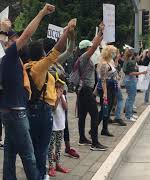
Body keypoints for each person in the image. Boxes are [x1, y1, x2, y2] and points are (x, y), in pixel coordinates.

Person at [0, 4, 58, 180]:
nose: (20, 42)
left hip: (10, 110)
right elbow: (27, 35)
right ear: (8, 43)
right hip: (16, 112)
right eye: (14, 39)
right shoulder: (8, 55)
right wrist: (41, 13)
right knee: (29, 155)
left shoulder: (11, 59)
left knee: (9, 153)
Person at [25, 18, 76, 179]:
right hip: (42, 110)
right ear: (41, 53)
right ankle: (41, 175)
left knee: (35, 147)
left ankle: (39, 174)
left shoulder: (26, 66)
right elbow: (59, 49)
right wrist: (67, 30)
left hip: (33, 110)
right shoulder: (39, 67)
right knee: (42, 148)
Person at [46, 34, 80, 159]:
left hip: (62, 96)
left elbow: (69, 50)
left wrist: (71, 35)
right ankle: (50, 153)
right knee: (53, 127)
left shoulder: (57, 60)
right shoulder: (46, 63)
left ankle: (66, 148)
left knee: (63, 124)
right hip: (53, 97)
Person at [76, 22, 108, 151]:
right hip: (86, 90)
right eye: (89, 47)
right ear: (86, 49)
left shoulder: (81, 57)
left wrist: (100, 32)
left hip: (82, 90)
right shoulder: (84, 57)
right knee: (94, 115)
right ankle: (95, 143)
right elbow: (94, 46)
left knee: (83, 115)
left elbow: (93, 43)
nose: (92, 49)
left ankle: (82, 138)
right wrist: (101, 33)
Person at [48, 79, 71, 177]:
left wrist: (61, 97)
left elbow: (66, 108)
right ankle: (51, 166)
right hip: (53, 126)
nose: (60, 89)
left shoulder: (63, 96)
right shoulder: (52, 96)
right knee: (50, 147)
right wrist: (57, 97)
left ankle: (57, 164)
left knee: (58, 147)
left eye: (61, 88)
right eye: (58, 87)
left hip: (61, 125)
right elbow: (53, 108)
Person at [123, 49, 147, 122]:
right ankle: (128, 116)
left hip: (128, 80)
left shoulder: (126, 61)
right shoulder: (130, 62)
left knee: (130, 98)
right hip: (130, 80)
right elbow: (131, 73)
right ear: (133, 55)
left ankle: (129, 114)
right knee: (131, 98)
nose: (138, 57)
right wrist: (142, 72)